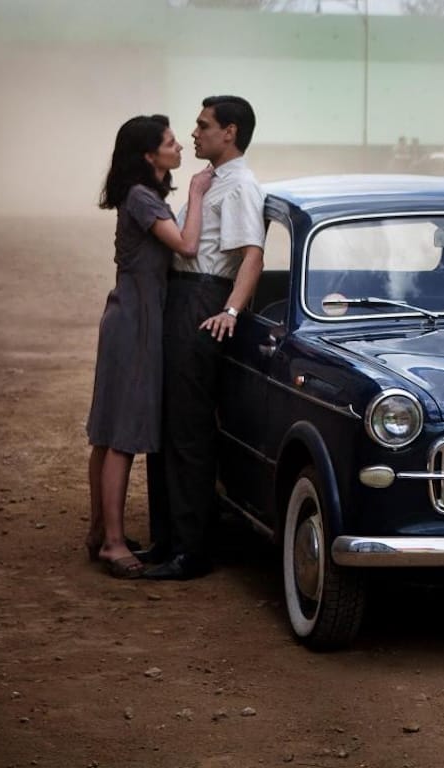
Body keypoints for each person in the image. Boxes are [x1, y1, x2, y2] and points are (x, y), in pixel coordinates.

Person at [143, 96, 266, 580]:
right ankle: (169, 539)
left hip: (201, 297)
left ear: (229, 132)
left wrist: (230, 310)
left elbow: (252, 254)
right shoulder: (212, 181)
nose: (195, 134)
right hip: (184, 296)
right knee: (168, 421)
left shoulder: (239, 186)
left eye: (203, 125)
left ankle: (190, 549)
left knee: (189, 426)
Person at [86, 115, 212, 578]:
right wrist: (197, 195)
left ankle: (100, 531)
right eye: (170, 142)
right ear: (148, 155)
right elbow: (188, 245)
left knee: (106, 434)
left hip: (126, 317)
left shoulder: (144, 196)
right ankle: (114, 545)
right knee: (123, 436)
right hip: (136, 323)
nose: (179, 146)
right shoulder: (143, 198)